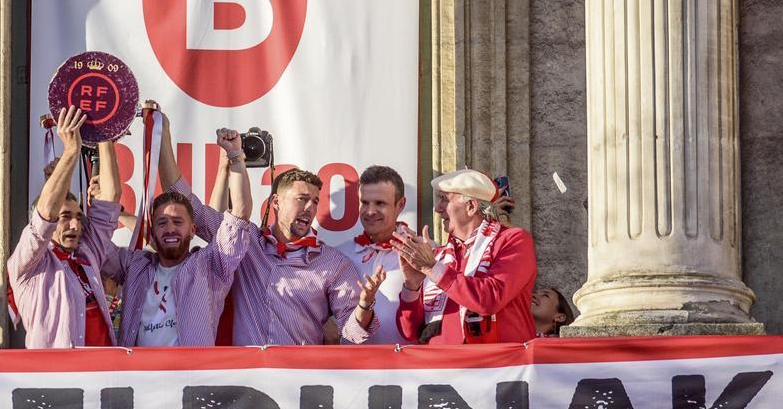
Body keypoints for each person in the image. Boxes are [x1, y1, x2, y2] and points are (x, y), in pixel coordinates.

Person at [161, 118, 383, 346]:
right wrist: (162, 134)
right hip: (246, 378)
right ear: (275, 202)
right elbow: (185, 204)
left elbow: (353, 334)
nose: (310, 208)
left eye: (315, 201)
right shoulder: (244, 241)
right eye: (302, 199)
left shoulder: (333, 263)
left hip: (300, 378)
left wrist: (364, 305)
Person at [103, 123, 255, 347]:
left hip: (190, 379)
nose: (170, 229)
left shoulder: (211, 264)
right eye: (162, 223)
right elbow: (95, 243)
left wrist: (235, 156)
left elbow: (239, 215)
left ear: (193, 229)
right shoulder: (134, 264)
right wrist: (104, 140)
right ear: (152, 232)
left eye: (178, 222)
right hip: (137, 378)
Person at [7, 106, 122, 348]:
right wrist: (71, 151)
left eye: (79, 217)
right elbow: (45, 216)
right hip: (56, 382)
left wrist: (104, 132)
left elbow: (110, 198)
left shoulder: (86, 252)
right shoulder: (30, 260)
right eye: (66, 217)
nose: (75, 225)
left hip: (102, 377)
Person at [392, 169, 537, 344]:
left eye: (444, 200)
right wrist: (412, 286)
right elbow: (409, 332)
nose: (437, 209)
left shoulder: (513, 240)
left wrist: (432, 268)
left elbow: (489, 299)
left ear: (471, 207)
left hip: (496, 366)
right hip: (441, 367)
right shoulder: (439, 256)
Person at [336, 165, 414, 345]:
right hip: (355, 370)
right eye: (364, 202)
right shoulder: (340, 255)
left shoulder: (424, 253)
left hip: (408, 370)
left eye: (380, 203)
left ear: (400, 205)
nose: (370, 211)